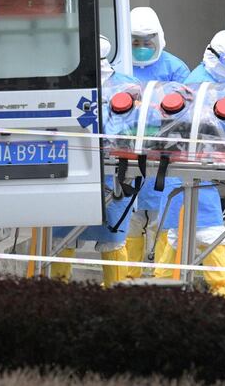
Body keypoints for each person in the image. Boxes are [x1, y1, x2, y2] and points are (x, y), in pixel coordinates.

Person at [153, 30, 225, 299]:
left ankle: (220, 285)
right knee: (177, 232)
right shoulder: (196, 84)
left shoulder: (222, 80)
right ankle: (163, 285)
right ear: (211, 56)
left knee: (209, 228)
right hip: (184, 169)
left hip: (201, 168)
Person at [51, 36, 138, 287]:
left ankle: (58, 293)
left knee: (106, 234)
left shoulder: (65, 83)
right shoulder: (128, 86)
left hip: (104, 172)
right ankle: (115, 294)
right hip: (81, 169)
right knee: (66, 233)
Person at [125, 7, 192, 278]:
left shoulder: (175, 69)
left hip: (164, 154)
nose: (141, 48)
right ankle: (127, 273)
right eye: (135, 42)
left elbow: (187, 111)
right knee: (129, 216)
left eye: (147, 42)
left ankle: (160, 275)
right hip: (127, 154)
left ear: (159, 39)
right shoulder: (122, 66)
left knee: (161, 218)